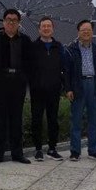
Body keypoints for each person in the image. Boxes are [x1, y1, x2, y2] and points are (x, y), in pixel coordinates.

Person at [0, 8, 32, 164]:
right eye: (8, 20)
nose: (11, 23)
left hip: (18, 83)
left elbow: (30, 63)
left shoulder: (25, 40)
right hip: (0, 82)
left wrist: (24, 79)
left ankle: (17, 153)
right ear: (3, 22)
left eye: (14, 20)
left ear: (19, 22)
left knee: (16, 119)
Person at [65, 19, 96, 162]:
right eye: (83, 30)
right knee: (76, 120)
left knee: (94, 120)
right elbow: (67, 71)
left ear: (92, 32)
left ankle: (94, 151)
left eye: (88, 30)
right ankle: (75, 151)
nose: (86, 32)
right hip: (78, 85)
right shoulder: (71, 50)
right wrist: (68, 89)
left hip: (94, 85)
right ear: (78, 32)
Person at [29, 17, 66, 161]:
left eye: (48, 26)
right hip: (37, 90)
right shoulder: (33, 46)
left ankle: (52, 148)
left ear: (52, 29)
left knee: (53, 120)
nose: (46, 28)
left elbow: (63, 66)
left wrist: (61, 83)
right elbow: (28, 68)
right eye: (43, 26)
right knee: (36, 120)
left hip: (54, 90)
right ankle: (38, 149)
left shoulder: (58, 46)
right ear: (39, 29)